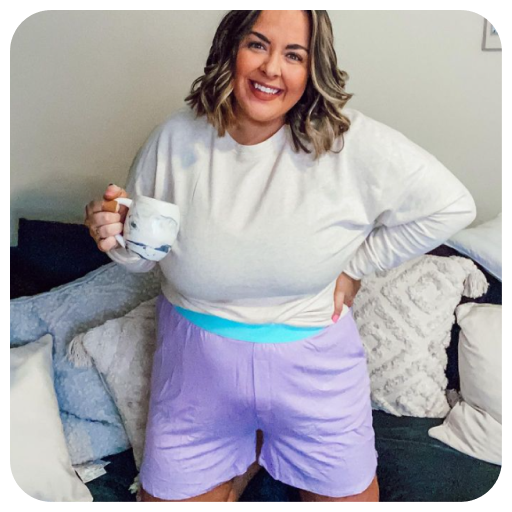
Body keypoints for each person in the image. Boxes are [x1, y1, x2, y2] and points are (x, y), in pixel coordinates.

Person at [84, 10, 476, 502]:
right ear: (230, 48)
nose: (272, 68)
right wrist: (111, 232)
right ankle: (247, 451)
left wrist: (358, 266)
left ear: (313, 69)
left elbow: (452, 205)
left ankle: (260, 445)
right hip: (196, 375)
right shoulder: (175, 137)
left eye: (294, 55)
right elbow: (143, 255)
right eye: (258, 44)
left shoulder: (348, 141)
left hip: (314, 381)